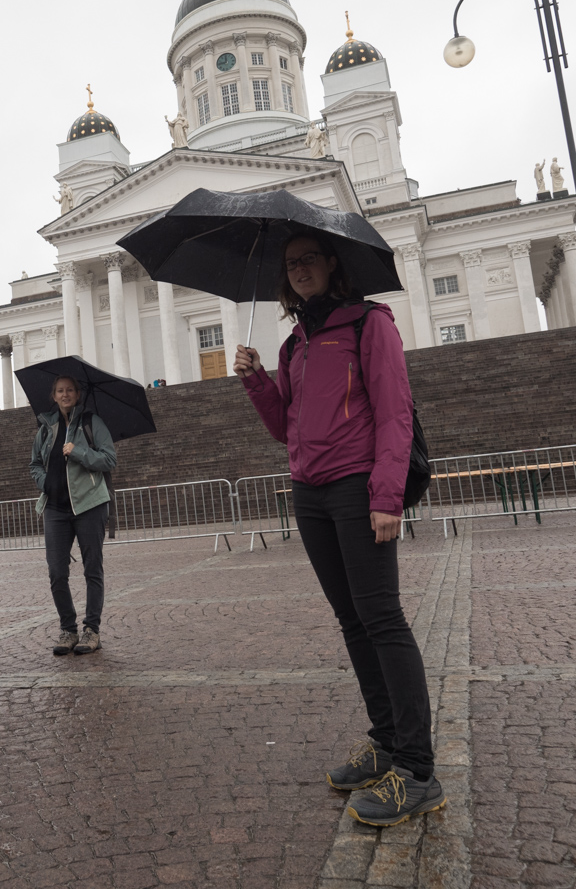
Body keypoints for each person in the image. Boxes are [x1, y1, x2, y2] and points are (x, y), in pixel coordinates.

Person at [233, 234, 444, 827]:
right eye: (290, 262)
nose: (299, 269)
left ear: (332, 264)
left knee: (383, 618)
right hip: (311, 490)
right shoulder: (294, 343)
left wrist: (386, 497)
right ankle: (384, 740)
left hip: (357, 485)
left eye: (309, 259)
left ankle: (417, 769)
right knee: (352, 619)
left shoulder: (369, 324)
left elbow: (395, 410)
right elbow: (285, 425)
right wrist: (256, 381)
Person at [29, 377, 117, 656]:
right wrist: (45, 482)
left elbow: (109, 459)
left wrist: (78, 452)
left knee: (93, 569)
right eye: (59, 391)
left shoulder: (92, 423)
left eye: (69, 390)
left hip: (89, 505)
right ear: (53, 396)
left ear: (78, 394)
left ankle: (92, 630)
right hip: (55, 508)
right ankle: (68, 629)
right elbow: (34, 464)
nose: (65, 394)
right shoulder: (46, 427)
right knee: (57, 572)